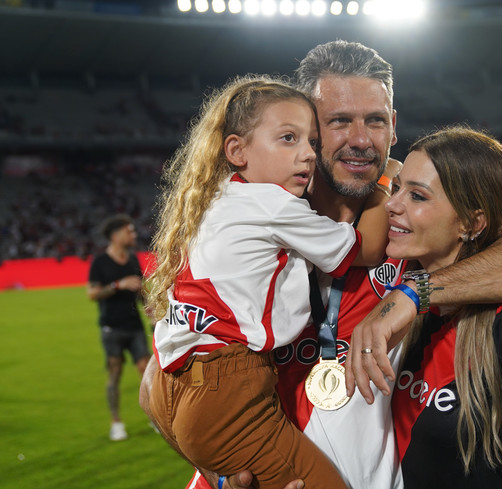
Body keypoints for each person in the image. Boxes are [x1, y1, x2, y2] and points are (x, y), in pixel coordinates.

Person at [140, 40, 502, 489]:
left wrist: (412, 295)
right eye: (338, 122)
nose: (359, 139)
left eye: (374, 120)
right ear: (310, 130)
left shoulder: (411, 229)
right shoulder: (244, 234)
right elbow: (159, 388)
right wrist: (223, 474)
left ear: (392, 126)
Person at [147, 74, 394, 489]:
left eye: (311, 143)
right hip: (229, 385)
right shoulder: (273, 203)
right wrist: (385, 183)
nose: (306, 156)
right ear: (237, 150)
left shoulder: (217, 197)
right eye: (288, 139)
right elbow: (367, 248)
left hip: (174, 382)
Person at [349, 126, 502, 488]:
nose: (393, 205)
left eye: (418, 196)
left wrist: (413, 294)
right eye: (398, 189)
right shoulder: (404, 296)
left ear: (472, 223)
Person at [87, 213, 150, 441]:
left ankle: (154, 416)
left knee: (147, 370)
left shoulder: (133, 260)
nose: (133, 235)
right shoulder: (100, 262)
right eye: (129, 231)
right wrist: (117, 284)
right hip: (111, 327)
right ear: (116, 235)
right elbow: (92, 293)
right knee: (115, 372)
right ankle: (116, 422)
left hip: (135, 326)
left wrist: (151, 313)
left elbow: (141, 290)